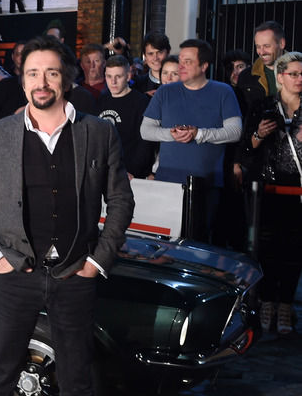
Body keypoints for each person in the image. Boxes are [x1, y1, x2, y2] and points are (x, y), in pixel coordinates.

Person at [0, 35, 134, 396]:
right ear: (22, 81)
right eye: (33, 73)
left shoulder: (99, 133)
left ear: (67, 79)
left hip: (75, 274)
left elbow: (121, 201)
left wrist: (97, 262)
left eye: (51, 73)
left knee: (77, 381)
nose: (42, 82)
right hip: (14, 274)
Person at [140, 39, 242, 241]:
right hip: (167, 183)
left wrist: (200, 134)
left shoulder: (223, 91)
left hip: (206, 184)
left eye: (188, 61)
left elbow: (235, 131)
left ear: (204, 66)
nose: (181, 66)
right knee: (163, 244)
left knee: (199, 244)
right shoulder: (164, 92)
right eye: (181, 61)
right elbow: (146, 130)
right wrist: (172, 133)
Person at [239, 51, 302, 335]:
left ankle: (286, 306)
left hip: (299, 192)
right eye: (294, 74)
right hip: (269, 189)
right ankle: (266, 302)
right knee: (267, 248)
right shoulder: (264, 105)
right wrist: (260, 134)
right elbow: (246, 147)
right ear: (280, 77)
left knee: (294, 251)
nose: (299, 79)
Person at [97, 55, 155, 178]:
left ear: (128, 76)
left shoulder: (141, 102)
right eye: (109, 76)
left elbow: (145, 143)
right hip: (103, 171)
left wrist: (133, 171)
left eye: (118, 76)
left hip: (129, 173)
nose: (113, 82)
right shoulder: (102, 99)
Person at [237, 21, 287, 112]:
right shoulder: (246, 77)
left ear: (282, 43)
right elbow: (242, 115)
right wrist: (256, 126)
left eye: (266, 46)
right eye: (258, 46)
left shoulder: (299, 71)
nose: (261, 52)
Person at [131, 31, 171, 96]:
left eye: (159, 52)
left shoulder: (180, 83)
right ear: (145, 56)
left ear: (168, 52)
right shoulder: (136, 84)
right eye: (151, 54)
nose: (155, 58)